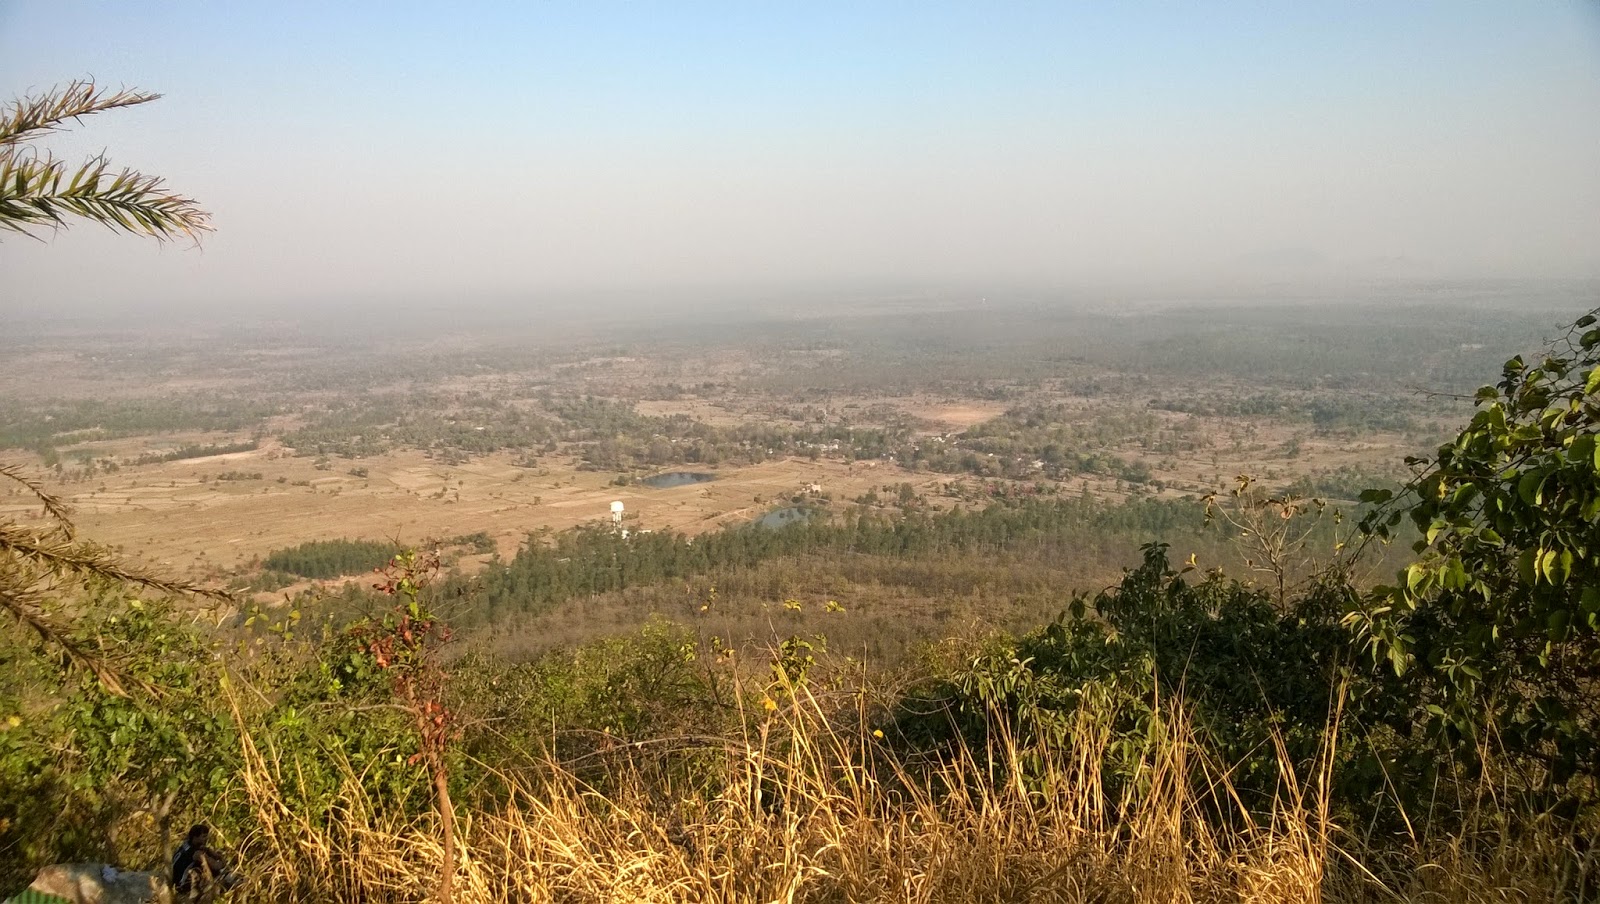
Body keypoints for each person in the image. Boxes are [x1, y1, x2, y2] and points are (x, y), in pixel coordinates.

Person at [170, 824, 239, 902]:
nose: (206, 839)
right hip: (185, 886)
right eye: (203, 837)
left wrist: (209, 851)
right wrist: (222, 860)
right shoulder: (196, 853)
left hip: (177, 884)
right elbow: (217, 866)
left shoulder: (185, 845)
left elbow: (209, 852)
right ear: (195, 837)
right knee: (226, 877)